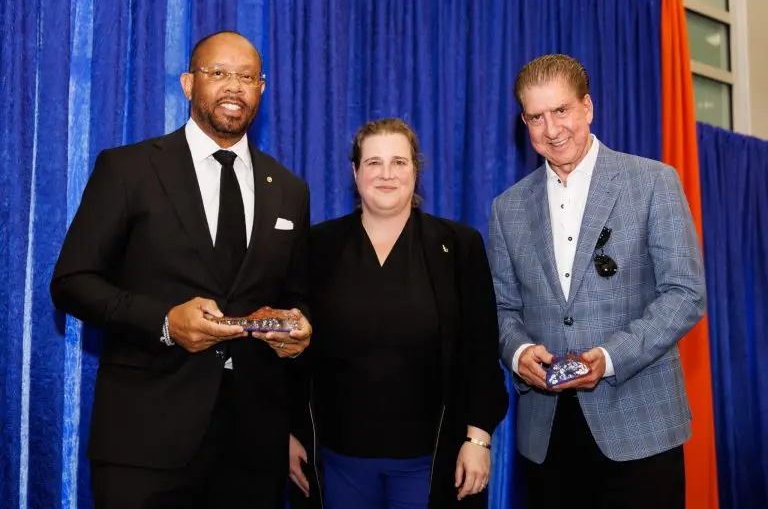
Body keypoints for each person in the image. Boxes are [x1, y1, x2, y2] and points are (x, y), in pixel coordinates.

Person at [50, 30, 311, 508]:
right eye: (218, 73)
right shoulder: (128, 169)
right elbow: (71, 283)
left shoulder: (290, 189)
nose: (233, 86)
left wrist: (298, 329)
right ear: (189, 83)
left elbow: (298, 294)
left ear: (262, 89)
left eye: (246, 76)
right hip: (145, 441)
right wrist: (166, 323)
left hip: (253, 447)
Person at [487, 54, 707, 508]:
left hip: (641, 426)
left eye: (561, 111)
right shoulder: (506, 208)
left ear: (587, 107)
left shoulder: (652, 182)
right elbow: (502, 309)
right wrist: (520, 352)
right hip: (546, 438)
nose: (551, 129)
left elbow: (685, 294)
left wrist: (607, 359)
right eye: (535, 117)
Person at [286, 118, 508, 509]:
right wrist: (288, 433)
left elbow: (481, 351)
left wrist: (478, 438)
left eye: (399, 163)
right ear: (355, 172)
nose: (386, 174)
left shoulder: (459, 247)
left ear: (415, 171)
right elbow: (291, 353)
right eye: (373, 163)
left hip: (431, 462)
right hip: (338, 463)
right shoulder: (317, 247)